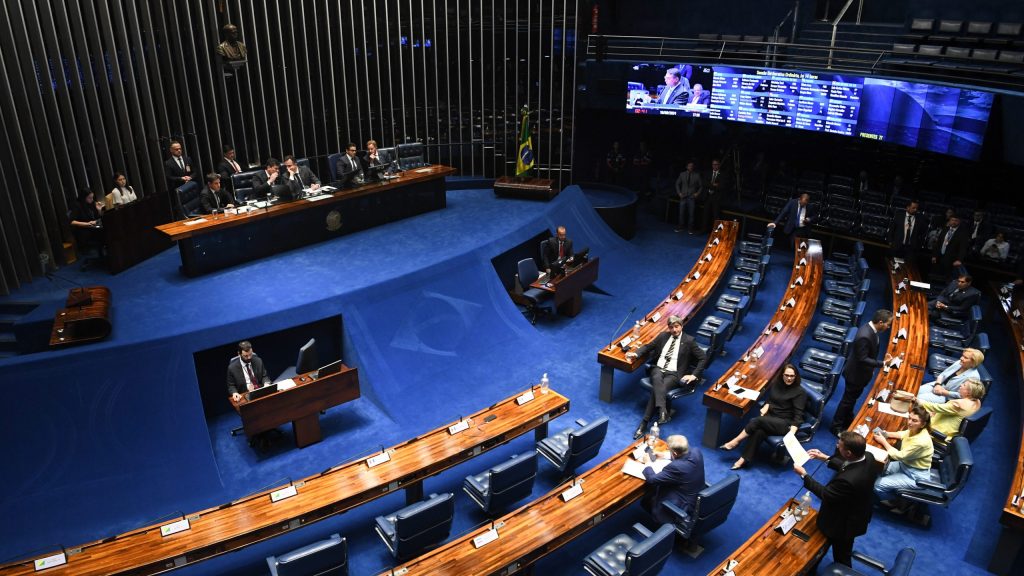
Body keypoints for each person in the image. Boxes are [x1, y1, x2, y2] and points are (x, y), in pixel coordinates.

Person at [792, 431, 879, 567]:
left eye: (840, 445)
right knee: (843, 553)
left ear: (848, 453)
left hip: (842, 523)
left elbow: (826, 494)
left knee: (840, 554)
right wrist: (825, 458)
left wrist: (804, 475)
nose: (837, 446)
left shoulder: (848, 481)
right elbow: (848, 466)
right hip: (858, 511)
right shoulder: (868, 457)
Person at [625, 315, 707, 438]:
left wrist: (694, 375)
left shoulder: (689, 341)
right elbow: (648, 346)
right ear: (668, 327)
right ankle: (662, 410)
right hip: (658, 369)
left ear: (681, 326)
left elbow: (703, 358)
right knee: (657, 379)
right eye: (671, 327)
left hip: (674, 373)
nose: (674, 330)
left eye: (676, 327)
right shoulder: (663, 336)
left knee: (658, 389)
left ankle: (644, 423)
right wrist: (636, 354)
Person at [721, 364, 807, 470]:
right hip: (772, 418)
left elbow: (798, 415)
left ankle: (735, 441)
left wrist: (792, 433)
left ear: (796, 376)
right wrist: (766, 405)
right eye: (787, 375)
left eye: (792, 376)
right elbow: (771, 399)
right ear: (782, 375)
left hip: (785, 424)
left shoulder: (800, 392)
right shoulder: (777, 384)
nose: (789, 378)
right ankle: (743, 459)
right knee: (758, 431)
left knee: (756, 421)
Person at [831, 309, 894, 435]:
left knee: (851, 399)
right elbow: (862, 359)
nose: (888, 327)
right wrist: (883, 363)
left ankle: (848, 420)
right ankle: (836, 427)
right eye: (888, 324)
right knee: (847, 401)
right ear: (880, 322)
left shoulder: (871, 330)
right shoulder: (865, 335)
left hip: (861, 373)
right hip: (855, 375)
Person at [872, 405, 934, 513]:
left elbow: (899, 456)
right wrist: (886, 434)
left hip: (915, 477)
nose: (909, 422)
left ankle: (903, 502)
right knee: (878, 468)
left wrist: (883, 441)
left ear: (923, 424)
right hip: (904, 466)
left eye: (914, 420)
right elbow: (902, 434)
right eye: (909, 418)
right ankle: (899, 498)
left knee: (877, 486)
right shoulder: (915, 429)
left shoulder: (921, 441)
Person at [639, 434, 705, 524]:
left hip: (682, 505)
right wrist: (665, 455)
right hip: (694, 495)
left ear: (674, 453)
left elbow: (652, 479)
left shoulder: (676, 467)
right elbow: (684, 455)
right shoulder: (696, 451)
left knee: (646, 500)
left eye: (669, 450)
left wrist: (647, 463)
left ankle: (661, 524)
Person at [916, 380, 985, 442]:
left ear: (968, 393)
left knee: (913, 417)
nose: (961, 385)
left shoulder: (959, 405)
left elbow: (935, 407)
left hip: (938, 433)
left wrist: (916, 400)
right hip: (951, 431)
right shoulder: (977, 402)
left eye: (964, 385)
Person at [917, 348, 985, 404]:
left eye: (965, 357)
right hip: (938, 385)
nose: (961, 358)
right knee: (915, 391)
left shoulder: (974, 377)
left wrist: (943, 392)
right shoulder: (959, 363)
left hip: (946, 396)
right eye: (962, 355)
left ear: (973, 362)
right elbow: (943, 374)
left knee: (917, 399)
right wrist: (937, 384)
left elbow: (964, 396)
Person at [70, 189, 105, 267]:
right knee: (103, 234)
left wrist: (99, 210)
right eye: (89, 198)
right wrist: (87, 224)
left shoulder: (92, 204)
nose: (92, 199)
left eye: (92, 197)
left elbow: (97, 217)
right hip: (84, 231)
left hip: (94, 227)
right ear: (84, 197)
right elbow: (72, 221)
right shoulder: (77, 206)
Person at [931, 213, 969, 279]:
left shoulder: (963, 233)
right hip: (940, 257)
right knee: (936, 276)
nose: (953, 222)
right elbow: (938, 243)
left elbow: (963, 248)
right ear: (949, 221)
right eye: (952, 220)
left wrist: (959, 260)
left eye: (956, 220)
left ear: (959, 222)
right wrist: (934, 255)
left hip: (952, 260)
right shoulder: (945, 229)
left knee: (947, 278)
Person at [674, 161, 701, 234]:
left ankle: (690, 229)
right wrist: (679, 193)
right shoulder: (682, 174)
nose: (691, 167)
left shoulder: (697, 175)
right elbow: (677, 184)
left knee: (691, 214)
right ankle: (680, 227)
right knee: (681, 213)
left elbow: (701, 186)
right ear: (686, 167)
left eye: (692, 166)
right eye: (689, 166)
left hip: (691, 197)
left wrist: (697, 193)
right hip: (683, 196)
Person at [701, 158, 727, 231]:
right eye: (713, 164)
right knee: (705, 214)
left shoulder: (723, 174)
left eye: (716, 164)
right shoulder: (708, 173)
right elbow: (704, 183)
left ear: (719, 165)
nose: (714, 166)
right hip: (707, 196)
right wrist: (714, 185)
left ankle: (715, 232)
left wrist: (711, 184)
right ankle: (703, 230)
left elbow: (722, 186)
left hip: (716, 198)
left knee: (716, 215)